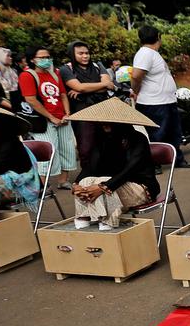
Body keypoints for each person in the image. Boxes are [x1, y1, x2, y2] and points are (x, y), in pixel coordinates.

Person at [65, 98, 160, 230]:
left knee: (102, 186)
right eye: (103, 122)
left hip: (139, 186)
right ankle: (83, 220)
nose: (105, 125)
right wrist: (77, 185)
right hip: (108, 185)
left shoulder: (138, 139)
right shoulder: (101, 139)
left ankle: (107, 223)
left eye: (109, 122)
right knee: (86, 181)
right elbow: (90, 167)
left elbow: (129, 170)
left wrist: (103, 187)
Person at [131, 25, 190, 168]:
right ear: (159, 36)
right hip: (154, 103)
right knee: (157, 135)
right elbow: (136, 75)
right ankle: (154, 164)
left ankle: (176, 160)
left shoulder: (152, 53)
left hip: (167, 101)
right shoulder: (145, 53)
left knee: (174, 134)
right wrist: (135, 90)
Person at [19, 46, 78, 189]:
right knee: (47, 151)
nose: (46, 60)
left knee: (67, 148)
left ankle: (63, 180)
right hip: (43, 121)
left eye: (48, 57)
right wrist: (51, 117)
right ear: (33, 59)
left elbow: (63, 94)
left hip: (62, 118)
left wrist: (67, 113)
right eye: (42, 58)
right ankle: (42, 185)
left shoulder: (55, 73)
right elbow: (31, 100)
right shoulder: (27, 75)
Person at [59, 40, 115, 170]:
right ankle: (88, 174)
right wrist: (85, 88)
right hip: (81, 110)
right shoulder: (66, 69)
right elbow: (79, 86)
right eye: (80, 53)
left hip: (103, 107)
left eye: (87, 53)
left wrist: (83, 89)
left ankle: (108, 172)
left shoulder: (97, 65)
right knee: (86, 145)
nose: (85, 56)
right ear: (72, 54)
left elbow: (109, 84)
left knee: (107, 140)